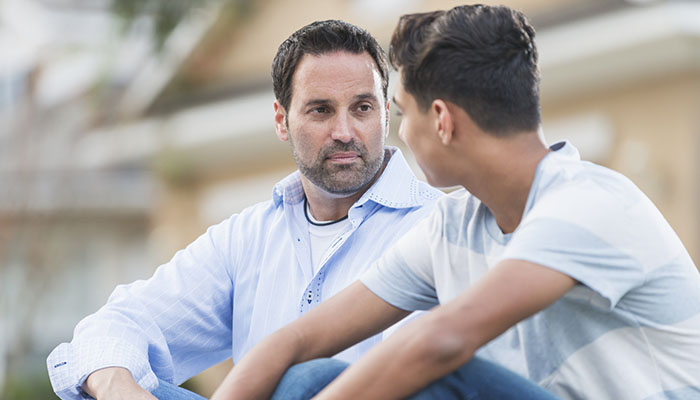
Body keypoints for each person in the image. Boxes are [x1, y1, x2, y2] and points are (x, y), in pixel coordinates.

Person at [212, 5, 700, 400]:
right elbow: (298, 339)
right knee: (303, 377)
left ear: (441, 120)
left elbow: (442, 341)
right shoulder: (453, 227)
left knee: (435, 372)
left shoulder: (589, 204)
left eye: (401, 112)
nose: (398, 134)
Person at [46, 20, 442, 400]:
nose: (344, 131)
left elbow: (414, 375)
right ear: (281, 121)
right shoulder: (247, 238)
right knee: (112, 377)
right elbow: (117, 324)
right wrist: (119, 390)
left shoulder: (436, 226)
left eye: (362, 108)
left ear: (386, 114)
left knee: (306, 380)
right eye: (320, 110)